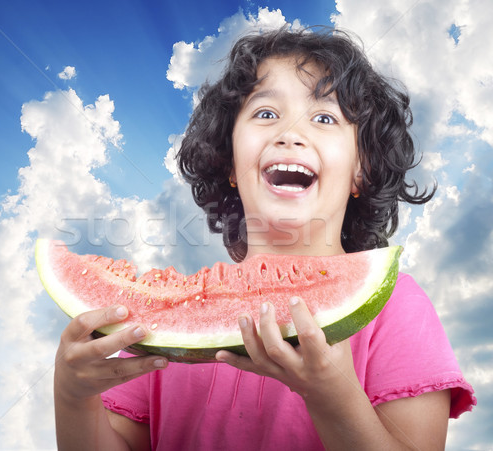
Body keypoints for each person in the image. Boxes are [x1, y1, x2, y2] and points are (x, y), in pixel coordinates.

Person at [53, 27, 476, 450]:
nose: (289, 134)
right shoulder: (166, 318)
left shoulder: (397, 305)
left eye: (324, 118)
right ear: (230, 164)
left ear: (360, 171)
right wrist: (73, 398)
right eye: (266, 114)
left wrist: (332, 395)